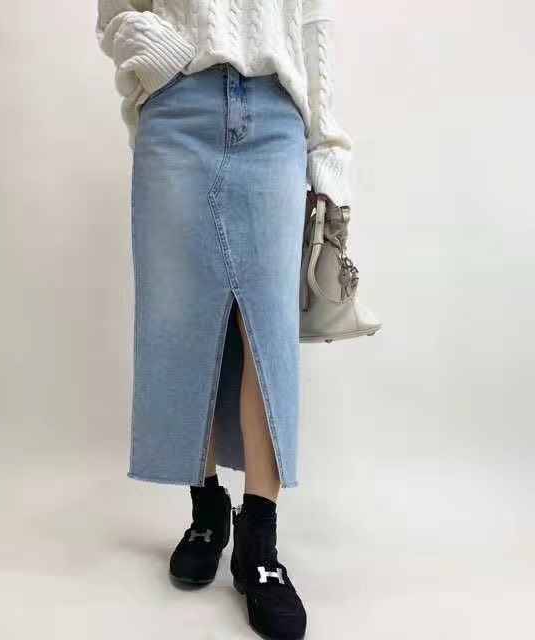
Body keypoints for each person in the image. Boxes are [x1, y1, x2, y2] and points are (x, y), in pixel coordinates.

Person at [96, 2, 353, 638]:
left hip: (275, 113)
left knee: (265, 331)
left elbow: (313, 26)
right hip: (176, 113)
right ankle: (207, 508)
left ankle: (258, 543)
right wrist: (165, 58)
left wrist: (329, 155)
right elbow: (116, 12)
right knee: (180, 321)